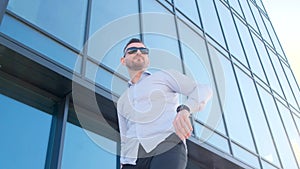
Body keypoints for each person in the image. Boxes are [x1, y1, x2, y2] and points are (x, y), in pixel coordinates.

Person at [117, 38, 212, 169]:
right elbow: (124, 138)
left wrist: (185, 109)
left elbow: (203, 89)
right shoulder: (122, 101)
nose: (139, 52)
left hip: (167, 145)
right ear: (123, 60)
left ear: (148, 60)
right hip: (133, 161)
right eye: (132, 50)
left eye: (143, 51)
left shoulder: (164, 77)